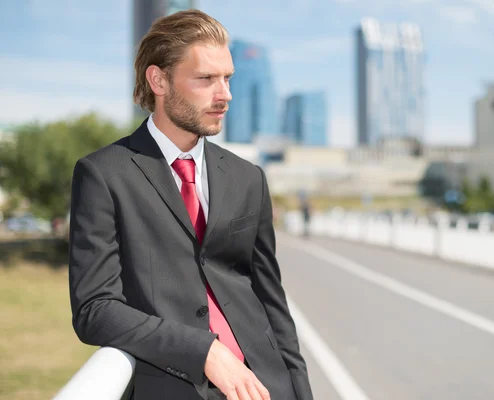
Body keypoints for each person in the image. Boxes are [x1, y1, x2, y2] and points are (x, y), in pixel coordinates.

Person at [68, 9, 313, 400]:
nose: (225, 95)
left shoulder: (248, 178)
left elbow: (271, 300)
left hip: (266, 386)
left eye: (227, 78)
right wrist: (205, 351)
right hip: (173, 386)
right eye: (206, 79)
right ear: (159, 80)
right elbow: (95, 309)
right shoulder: (103, 174)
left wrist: (300, 392)